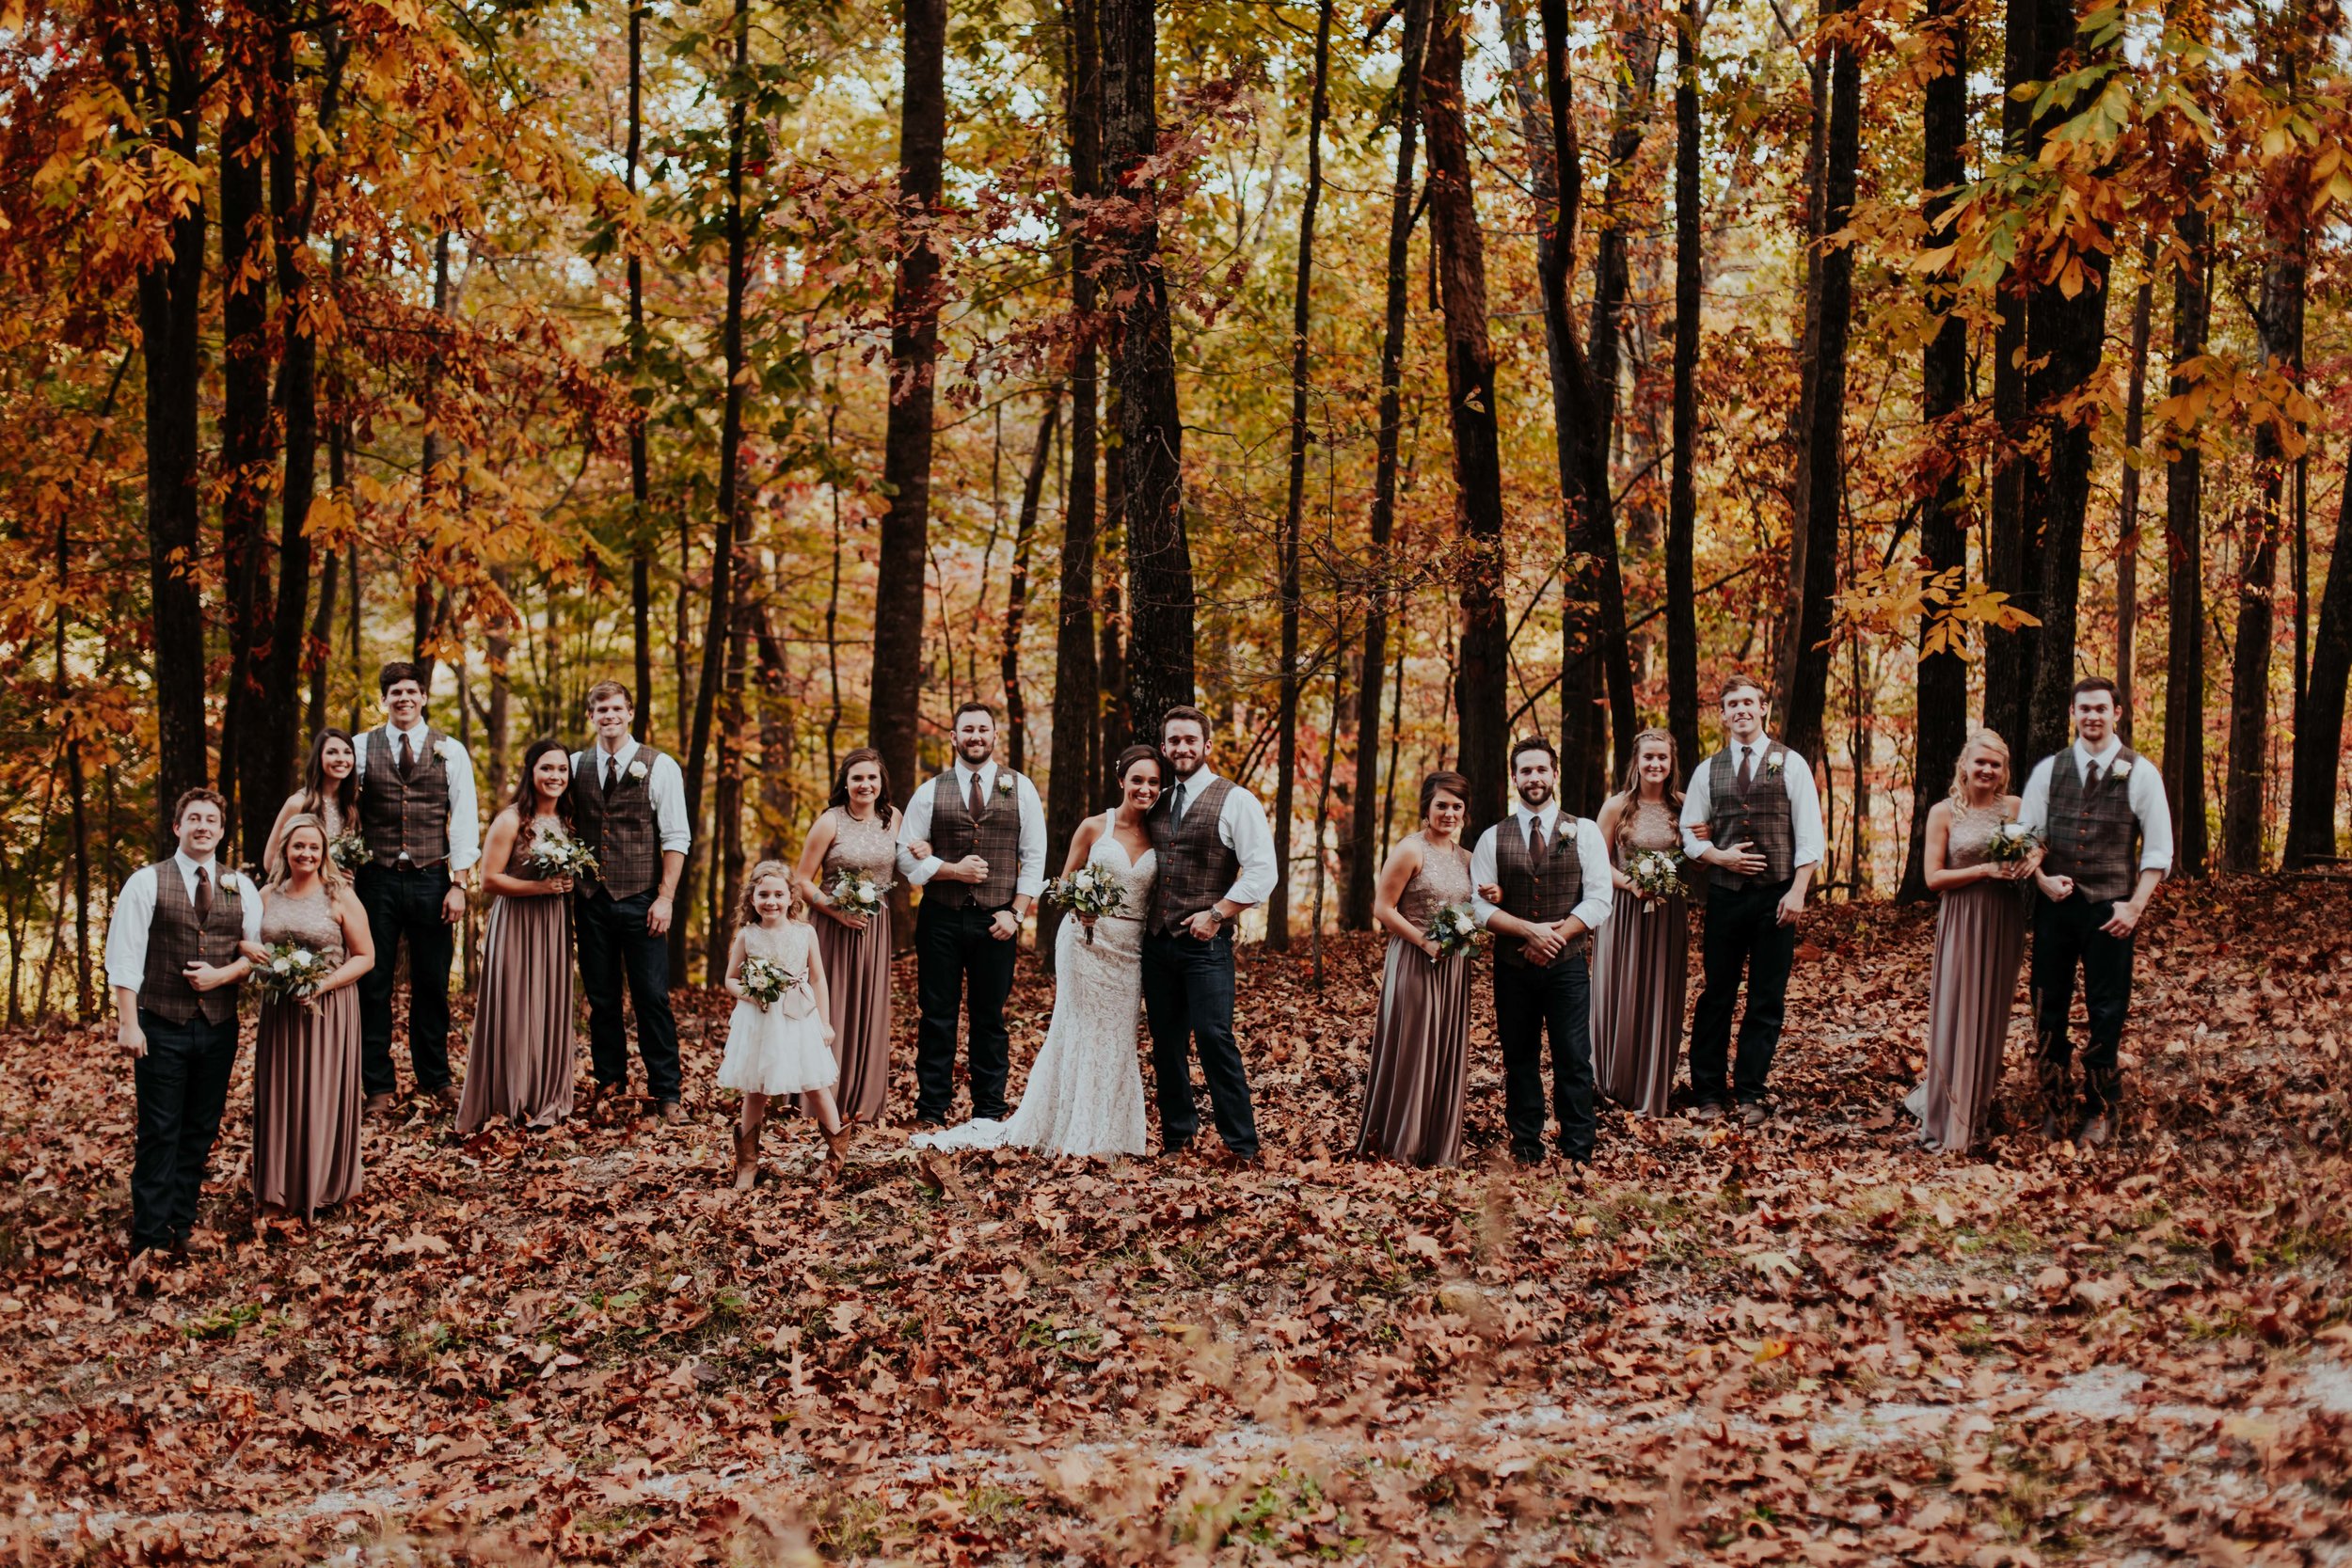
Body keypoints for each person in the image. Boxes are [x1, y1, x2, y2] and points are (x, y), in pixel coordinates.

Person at [913, 745, 1162, 1160]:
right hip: (1086, 945)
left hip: (1131, 949)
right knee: (1079, 1032)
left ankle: (1112, 1132)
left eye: (1154, 782)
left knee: (1118, 1036)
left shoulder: (1162, 832)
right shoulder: (1093, 827)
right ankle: (1073, 1129)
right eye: (1137, 779)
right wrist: (1081, 905)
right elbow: (1061, 888)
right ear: (1122, 781)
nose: (1145, 788)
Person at [103, 788, 262, 1275]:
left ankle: (182, 1223)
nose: (203, 826)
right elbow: (124, 957)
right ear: (177, 827)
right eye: (193, 818)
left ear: (220, 830)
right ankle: (149, 1240)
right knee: (159, 1131)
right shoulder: (146, 882)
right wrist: (128, 1024)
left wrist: (224, 976)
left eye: (211, 820)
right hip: (160, 1025)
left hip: (219, 1027)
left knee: (199, 1129)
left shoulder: (240, 886)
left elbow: (253, 958)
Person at [2016, 676, 2171, 1146]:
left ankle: (2101, 1107)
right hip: (2057, 908)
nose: (2093, 717)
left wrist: (2135, 907)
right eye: (2084, 709)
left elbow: (2158, 850)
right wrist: (2041, 879)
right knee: (2048, 1005)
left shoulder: (2140, 772)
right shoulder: (2050, 769)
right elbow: (2025, 836)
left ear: (2117, 713)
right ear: (2073, 713)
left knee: (2108, 1010)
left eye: (2101, 708)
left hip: (2111, 910)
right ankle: (2053, 1102)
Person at [1680, 674, 1824, 1125]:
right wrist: (1719, 855)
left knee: (1766, 998)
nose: (1741, 709)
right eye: (1732, 704)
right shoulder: (1708, 769)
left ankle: (1750, 1093)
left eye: (1749, 702)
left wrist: (1799, 890)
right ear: (1722, 715)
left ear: (1763, 709)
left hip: (1777, 897)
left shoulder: (1791, 763)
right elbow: (1689, 833)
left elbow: (1810, 834)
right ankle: (1707, 1091)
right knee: (1717, 994)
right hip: (1725, 898)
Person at [897, 703, 1047, 1128]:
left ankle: (989, 1110)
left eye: (983, 729)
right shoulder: (929, 791)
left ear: (995, 736)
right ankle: (930, 1111)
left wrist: (1016, 914)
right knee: (937, 1016)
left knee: (989, 1018)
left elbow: (1033, 858)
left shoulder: (1021, 788)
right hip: (939, 917)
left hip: (997, 921)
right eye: (968, 730)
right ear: (954, 737)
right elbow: (905, 859)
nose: (975, 736)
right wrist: (949, 870)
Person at [1142, 705, 1278, 1164]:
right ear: (1164, 748)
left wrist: (1218, 913)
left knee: (1215, 1037)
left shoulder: (1236, 800)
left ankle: (1242, 1144)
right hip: (1157, 943)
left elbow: (1263, 872)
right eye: (1174, 741)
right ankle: (1178, 1138)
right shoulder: (1155, 800)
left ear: (1207, 746)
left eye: (1189, 740)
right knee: (1166, 1041)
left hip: (1207, 944)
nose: (1182, 748)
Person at [1470, 738, 1614, 1164]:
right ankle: (1527, 1145)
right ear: (1514, 778)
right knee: (1520, 1058)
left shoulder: (1583, 830)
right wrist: (1527, 932)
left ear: (1555, 775)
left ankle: (1577, 1148)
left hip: (1568, 966)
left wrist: (1555, 938)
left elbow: (1599, 898)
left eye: (1541, 769)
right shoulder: (1491, 837)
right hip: (1512, 967)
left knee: (1573, 1058)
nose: (1534, 777)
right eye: (1525, 771)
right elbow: (1479, 906)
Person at [350, 661, 481, 1115]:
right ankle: (378, 1086)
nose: (403, 698)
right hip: (375, 879)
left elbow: (464, 817)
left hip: (431, 878)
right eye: (394, 693)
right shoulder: (359, 748)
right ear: (383, 700)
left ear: (423, 697)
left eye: (411, 691)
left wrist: (459, 883)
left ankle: (436, 1077)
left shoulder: (451, 750)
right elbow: (343, 812)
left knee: (431, 983)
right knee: (374, 983)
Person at [570, 681, 691, 1120]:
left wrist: (665, 898)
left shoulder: (660, 766)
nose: (609, 715)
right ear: (590, 715)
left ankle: (667, 1092)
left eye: (617, 707)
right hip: (590, 901)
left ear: (630, 712)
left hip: (642, 899)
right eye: (601, 708)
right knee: (602, 999)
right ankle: (611, 1084)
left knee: (652, 997)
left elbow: (676, 837)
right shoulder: (573, 765)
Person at [245, 815, 374, 1220]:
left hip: (329, 1009)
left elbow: (367, 956)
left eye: (314, 847)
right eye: (299, 846)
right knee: (280, 1093)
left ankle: (324, 1184)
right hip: (280, 1010)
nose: (306, 853)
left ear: (324, 853)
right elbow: (248, 947)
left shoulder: (340, 895)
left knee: (322, 1091)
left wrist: (321, 985)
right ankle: (278, 1188)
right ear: (286, 849)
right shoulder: (266, 895)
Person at [1915, 729, 2038, 1154]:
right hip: (1962, 918)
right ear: (1964, 765)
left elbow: (2033, 852)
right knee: (1957, 1008)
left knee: (1990, 1011)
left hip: (2003, 919)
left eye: (1995, 764)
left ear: (2003, 772)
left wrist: (2033, 858)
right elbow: (1933, 879)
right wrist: (1985, 870)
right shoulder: (1944, 813)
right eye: (1980, 762)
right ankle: (1949, 1116)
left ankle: (1978, 1111)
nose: (1986, 770)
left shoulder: (2016, 808)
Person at [458, 739, 582, 1135]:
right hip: (516, 924)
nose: (555, 777)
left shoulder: (569, 821)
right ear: (531, 771)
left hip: (554, 926)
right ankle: (508, 1098)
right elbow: (489, 880)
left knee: (547, 1007)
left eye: (562, 770)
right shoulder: (511, 819)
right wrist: (542, 889)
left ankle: (545, 1095)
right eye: (547, 768)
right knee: (515, 1009)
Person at [1356, 771, 1476, 1167]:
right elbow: (1382, 908)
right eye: (1442, 804)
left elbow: (1477, 906)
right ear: (1426, 807)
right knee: (1413, 1046)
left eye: (1457, 806)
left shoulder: (1467, 858)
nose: (1449, 813)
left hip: (1453, 967)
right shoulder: (1410, 850)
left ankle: (1436, 1145)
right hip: (1414, 958)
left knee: (1443, 1048)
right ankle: (1400, 1142)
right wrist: (1424, 942)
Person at [719, 862, 850, 1187]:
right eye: (764, 894)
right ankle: (747, 1164)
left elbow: (818, 978)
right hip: (760, 1018)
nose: (771, 901)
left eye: (779, 894)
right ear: (752, 898)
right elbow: (730, 979)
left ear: (792, 897)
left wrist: (825, 1022)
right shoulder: (747, 936)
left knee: (816, 1086)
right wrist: (751, 993)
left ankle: (835, 1158)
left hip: (800, 1017)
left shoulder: (805, 933)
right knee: (756, 1090)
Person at [794, 748, 902, 1126]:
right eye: (857, 778)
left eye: (872, 777)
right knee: (831, 1006)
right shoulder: (830, 821)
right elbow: (801, 880)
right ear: (845, 782)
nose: (865, 784)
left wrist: (927, 850)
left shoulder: (894, 820)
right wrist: (836, 911)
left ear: (881, 782)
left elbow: (906, 862)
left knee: (867, 1007)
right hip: (831, 927)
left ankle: (862, 1099)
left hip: (875, 929)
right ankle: (818, 1097)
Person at [1591, 730, 1691, 1118]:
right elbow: (1597, 865)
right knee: (1622, 988)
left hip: (1667, 914)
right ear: (1636, 761)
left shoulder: (1683, 806)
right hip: (1623, 910)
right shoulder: (1616, 807)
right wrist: (1632, 885)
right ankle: (1612, 1085)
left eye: (1662, 758)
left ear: (1671, 763)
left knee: (1661, 991)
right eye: (1649, 757)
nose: (1655, 764)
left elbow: (1695, 857)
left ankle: (1652, 1087)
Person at [261, 729, 358, 879]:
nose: (341, 758)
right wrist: (324, 877)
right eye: (332, 752)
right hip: (306, 892)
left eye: (347, 752)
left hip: (342, 892)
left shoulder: (352, 805)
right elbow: (270, 862)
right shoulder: (298, 804)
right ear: (318, 758)